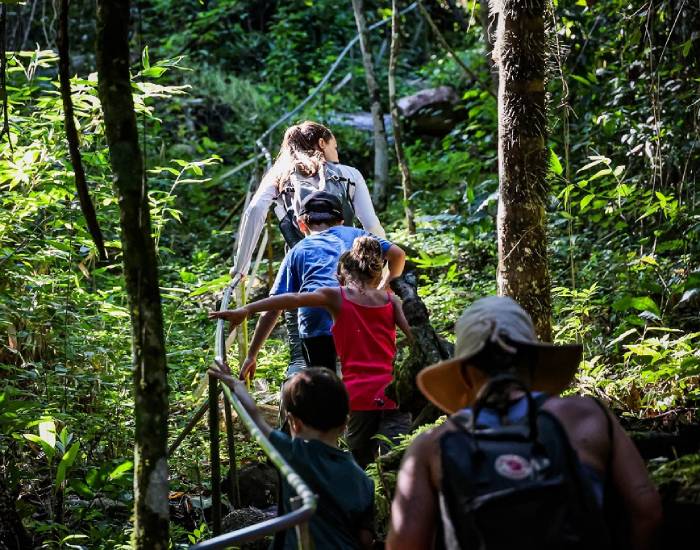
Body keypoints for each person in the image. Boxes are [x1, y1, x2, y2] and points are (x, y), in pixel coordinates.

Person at [386, 296, 662, 550]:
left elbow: (405, 544)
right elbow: (646, 511)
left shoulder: (432, 446)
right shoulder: (587, 416)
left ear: (465, 376)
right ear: (533, 363)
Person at [211, 235, 413, 468]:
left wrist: (247, 309)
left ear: (344, 273)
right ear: (376, 273)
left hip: (360, 397)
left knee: (362, 465)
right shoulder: (391, 300)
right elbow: (416, 337)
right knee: (397, 464)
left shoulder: (336, 296)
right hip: (394, 392)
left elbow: (291, 299)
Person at [230, 121, 386, 378]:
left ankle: (303, 386)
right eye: (335, 146)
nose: (337, 153)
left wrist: (241, 269)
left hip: (303, 267)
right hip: (352, 270)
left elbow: (256, 210)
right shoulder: (349, 174)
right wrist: (383, 271)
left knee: (302, 346)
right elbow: (372, 226)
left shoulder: (280, 175)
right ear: (322, 143)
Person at [215, 191, 404, 377]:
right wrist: (385, 286)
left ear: (301, 224)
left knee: (324, 383)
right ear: (341, 221)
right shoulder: (356, 234)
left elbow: (275, 307)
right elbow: (398, 254)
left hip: (315, 322)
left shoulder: (297, 250)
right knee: (364, 373)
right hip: (356, 313)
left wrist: (251, 355)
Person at [209, 362, 375, 550]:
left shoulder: (292, 452)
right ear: (346, 422)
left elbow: (256, 420)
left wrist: (237, 386)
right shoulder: (363, 480)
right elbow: (365, 539)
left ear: (293, 423)